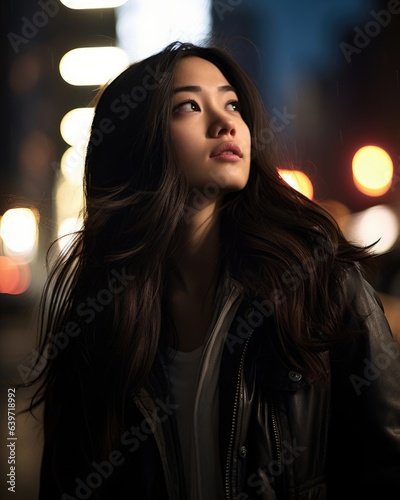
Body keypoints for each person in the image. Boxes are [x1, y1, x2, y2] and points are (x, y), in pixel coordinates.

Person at [28, 41, 400, 499]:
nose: (226, 123)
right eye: (189, 105)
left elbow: (387, 465)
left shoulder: (320, 283)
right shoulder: (95, 327)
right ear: (138, 140)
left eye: (232, 104)